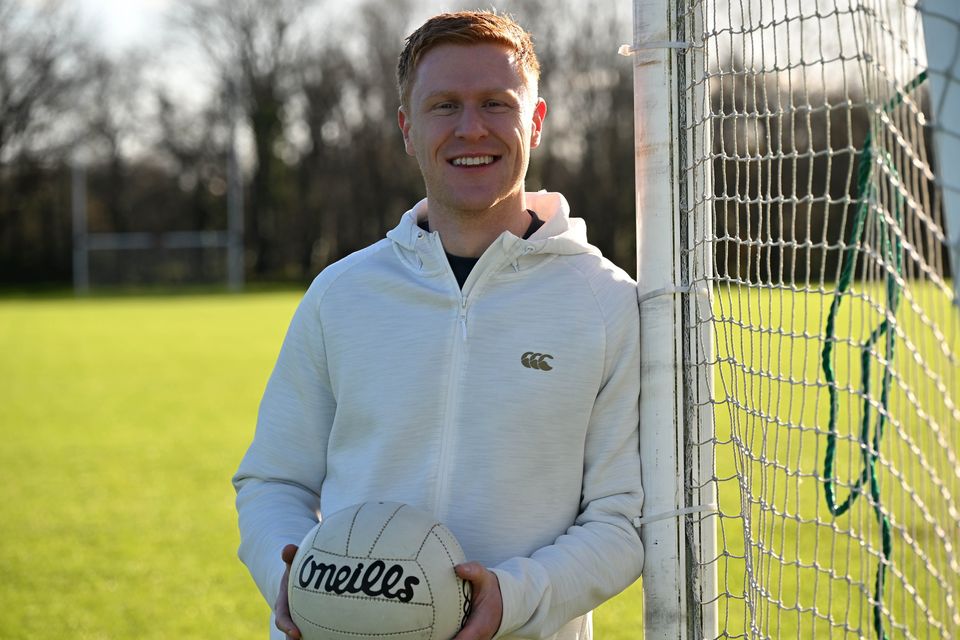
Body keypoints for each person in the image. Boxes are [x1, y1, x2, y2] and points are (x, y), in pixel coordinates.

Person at [233, 10, 644, 640]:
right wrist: (286, 572)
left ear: (534, 122)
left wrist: (511, 598)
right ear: (407, 127)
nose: (471, 128)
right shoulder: (341, 294)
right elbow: (274, 480)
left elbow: (622, 520)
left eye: (496, 104)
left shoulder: (606, 301)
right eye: (444, 105)